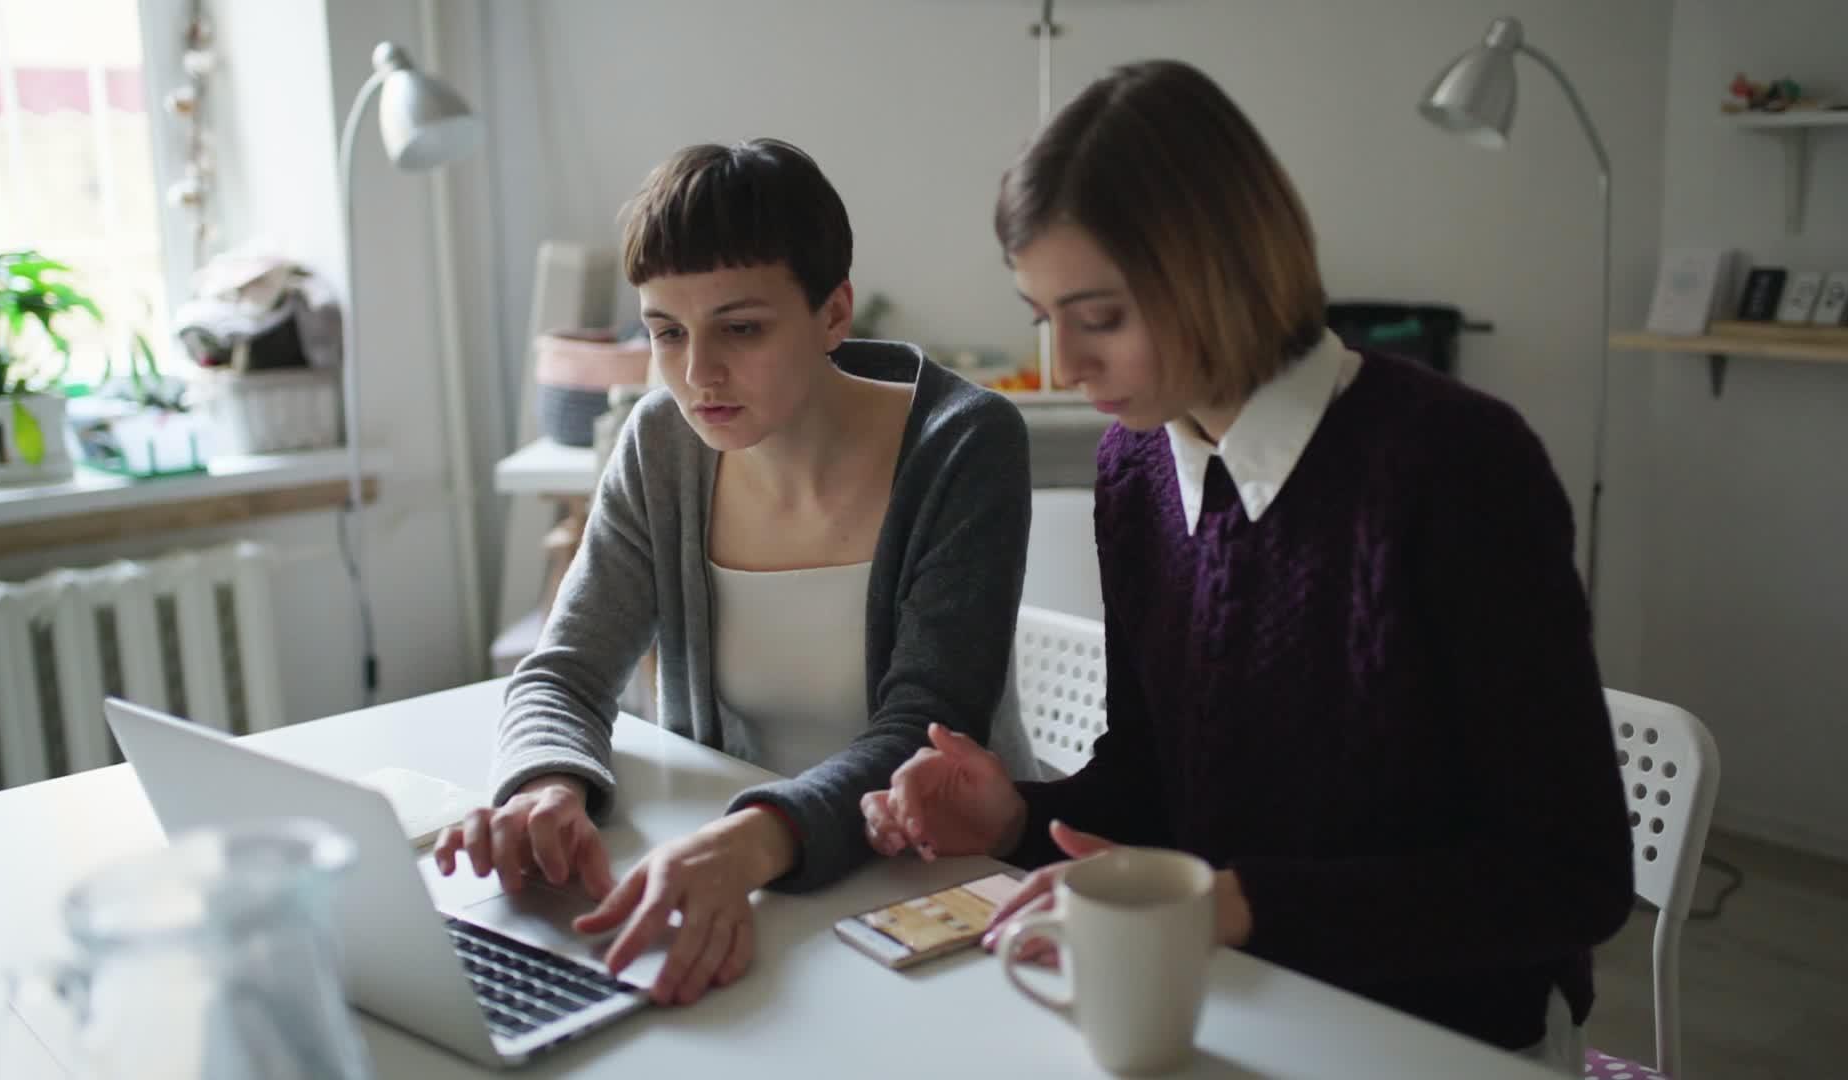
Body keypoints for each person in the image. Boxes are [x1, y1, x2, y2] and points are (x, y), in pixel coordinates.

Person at [860, 60, 1633, 1070]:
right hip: (1223, 995)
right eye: (1044, 317)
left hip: (1451, 1032)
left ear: (1217, 268)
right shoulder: (1135, 465)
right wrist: (1018, 813)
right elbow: (1151, 781)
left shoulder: (1454, 466)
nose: (1065, 367)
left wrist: (1236, 904)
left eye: (1101, 318)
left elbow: (1569, 877)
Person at [438, 138, 1038, 1007]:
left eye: (741, 328)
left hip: (939, 890)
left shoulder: (963, 443)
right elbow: (566, 670)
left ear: (835, 313)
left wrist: (746, 843)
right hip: (751, 880)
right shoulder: (662, 444)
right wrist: (545, 785)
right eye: (666, 333)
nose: (696, 374)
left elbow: (924, 725)